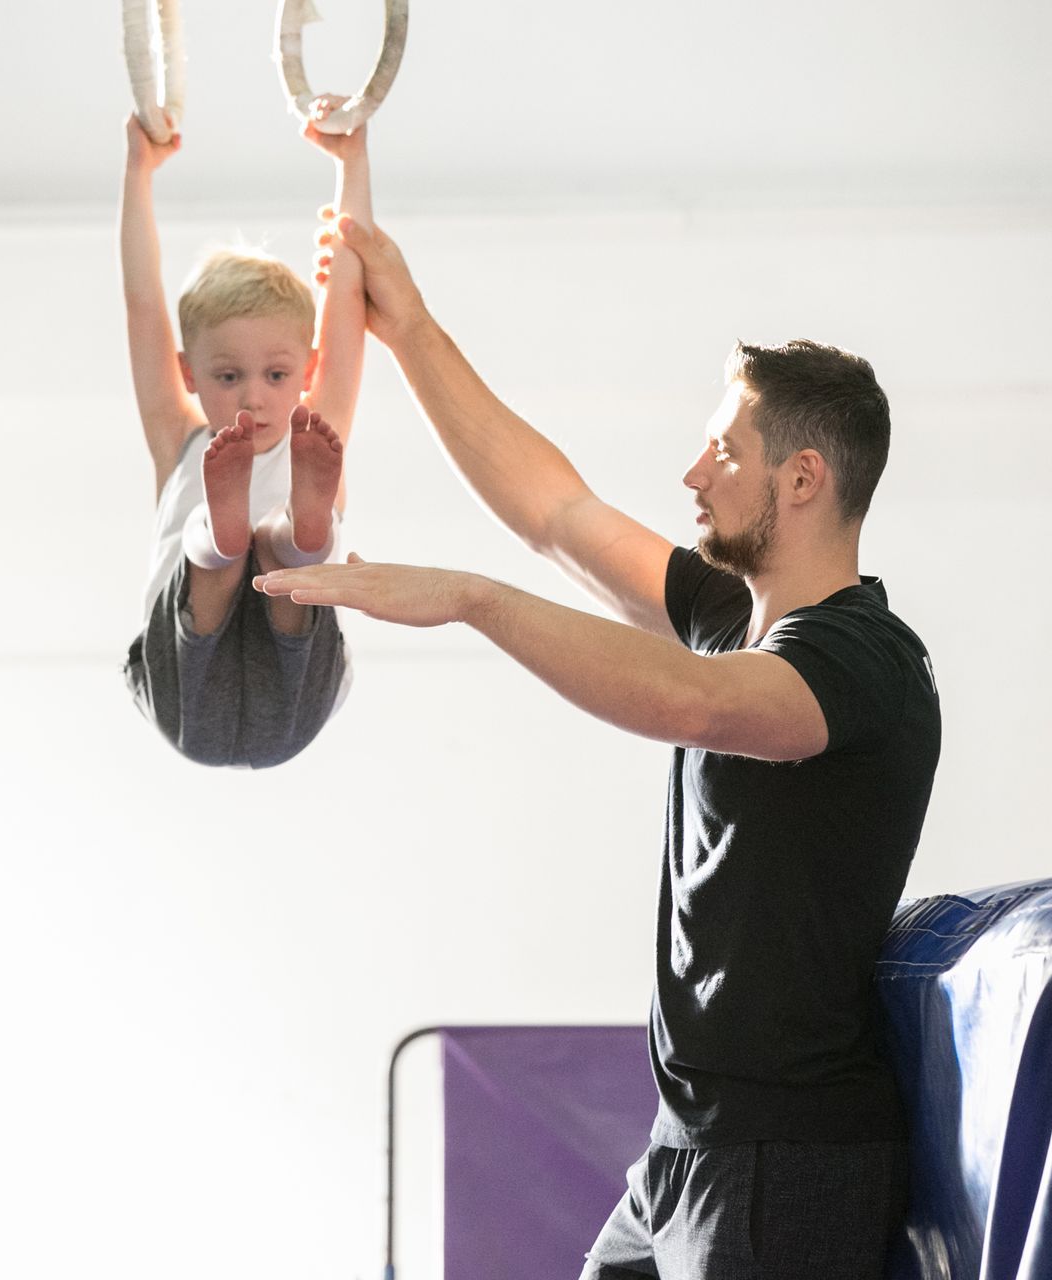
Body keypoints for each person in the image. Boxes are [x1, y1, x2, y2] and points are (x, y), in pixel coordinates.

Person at [259, 216, 941, 1278]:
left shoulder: (864, 659)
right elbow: (554, 508)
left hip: (789, 1158)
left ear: (802, 479)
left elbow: (701, 705)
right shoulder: (729, 610)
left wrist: (472, 601)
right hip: (685, 1153)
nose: (693, 470)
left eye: (724, 448)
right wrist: (409, 326)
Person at [118, 98, 372, 767]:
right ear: (189, 375)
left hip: (290, 702)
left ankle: (285, 536)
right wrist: (136, 172)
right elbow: (143, 302)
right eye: (227, 377)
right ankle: (247, 539)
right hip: (188, 694)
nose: (254, 397)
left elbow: (346, 301)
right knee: (245, 552)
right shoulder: (182, 439)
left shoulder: (315, 432)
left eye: (276, 375)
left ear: (308, 369)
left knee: (277, 554)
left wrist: (353, 161)